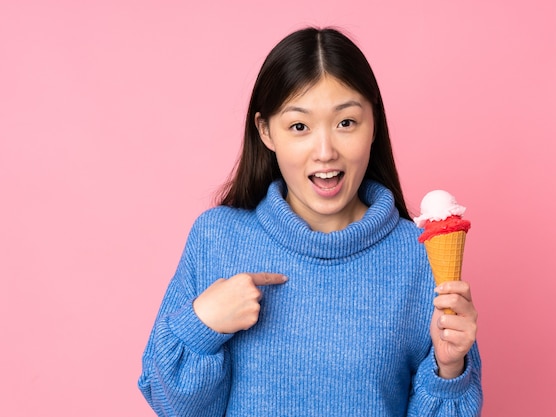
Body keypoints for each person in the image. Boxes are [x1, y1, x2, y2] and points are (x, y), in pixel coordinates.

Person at [138, 27, 482, 416]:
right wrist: (203, 325)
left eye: (346, 123)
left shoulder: (420, 255)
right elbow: (170, 405)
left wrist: (450, 369)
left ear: (374, 125)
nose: (325, 152)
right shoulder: (217, 238)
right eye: (299, 126)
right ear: (266, 131)